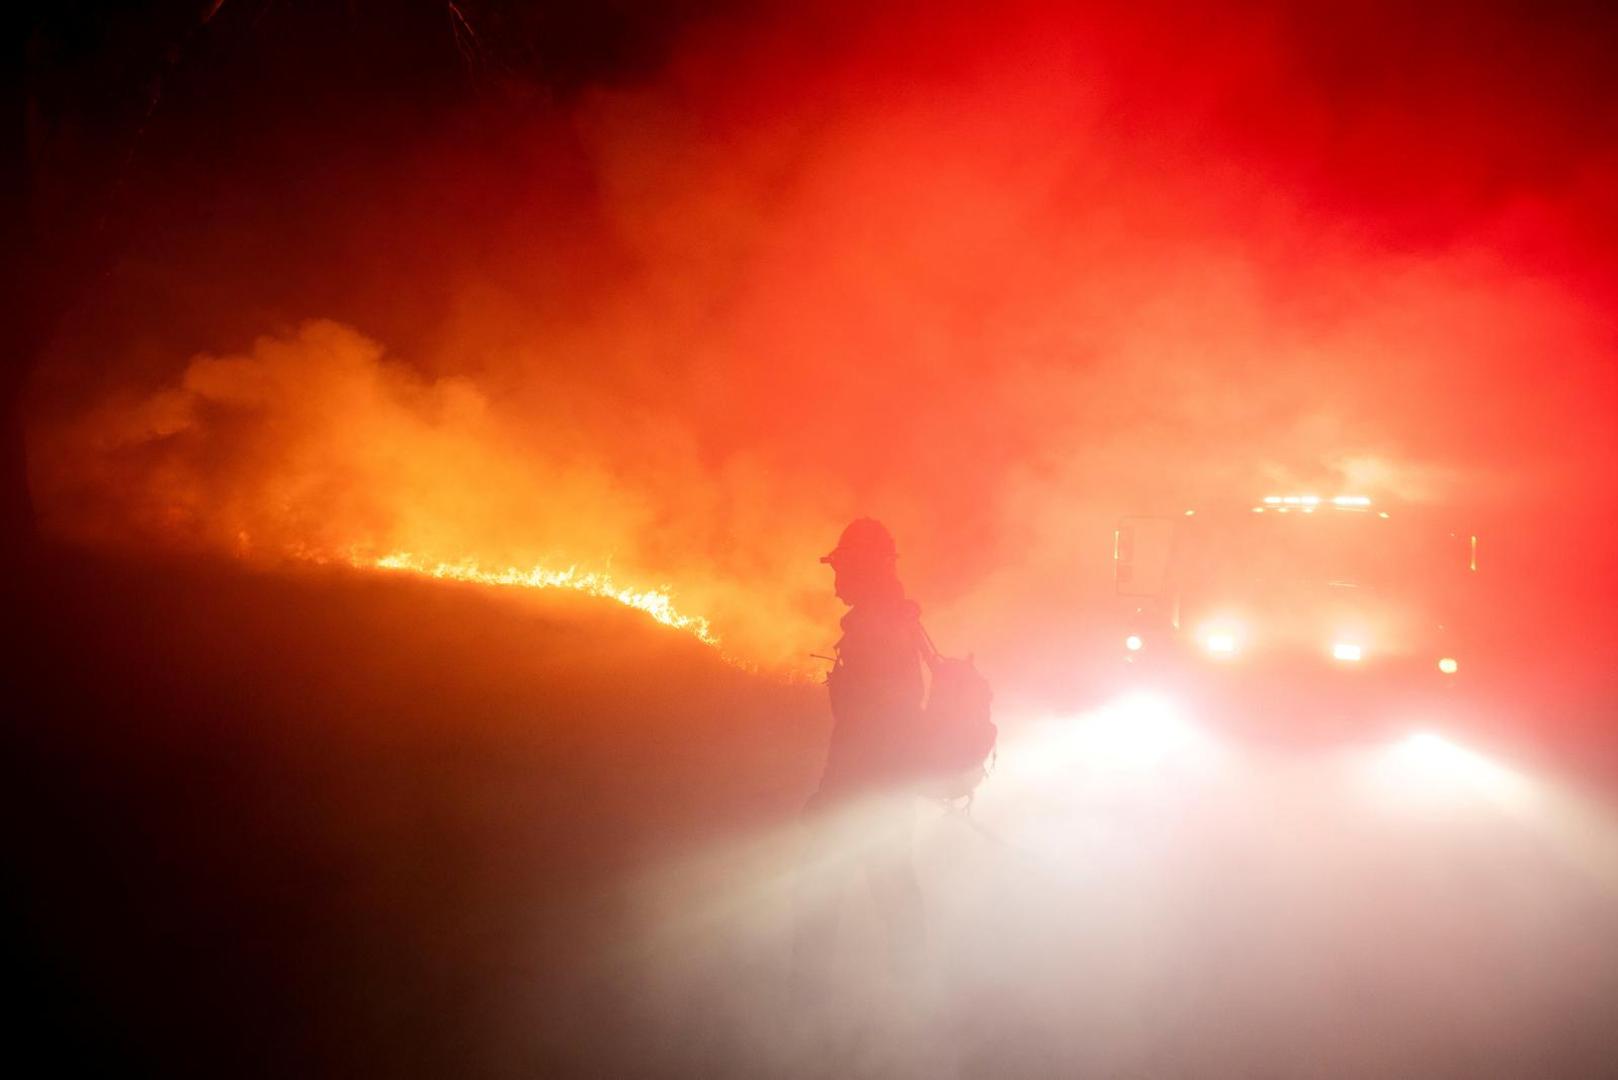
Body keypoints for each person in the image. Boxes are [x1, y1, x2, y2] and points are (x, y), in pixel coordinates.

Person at [792, 517, 926, 995]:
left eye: (842, 569)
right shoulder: (890, 619)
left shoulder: (876, 629)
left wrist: (831, 796)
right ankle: (916, 994)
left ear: (865, 568)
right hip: (886, 787)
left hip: (866, 789)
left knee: (820, 891)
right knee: (892, 886)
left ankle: (804, 1004)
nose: (836, 583)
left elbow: (864, 727)